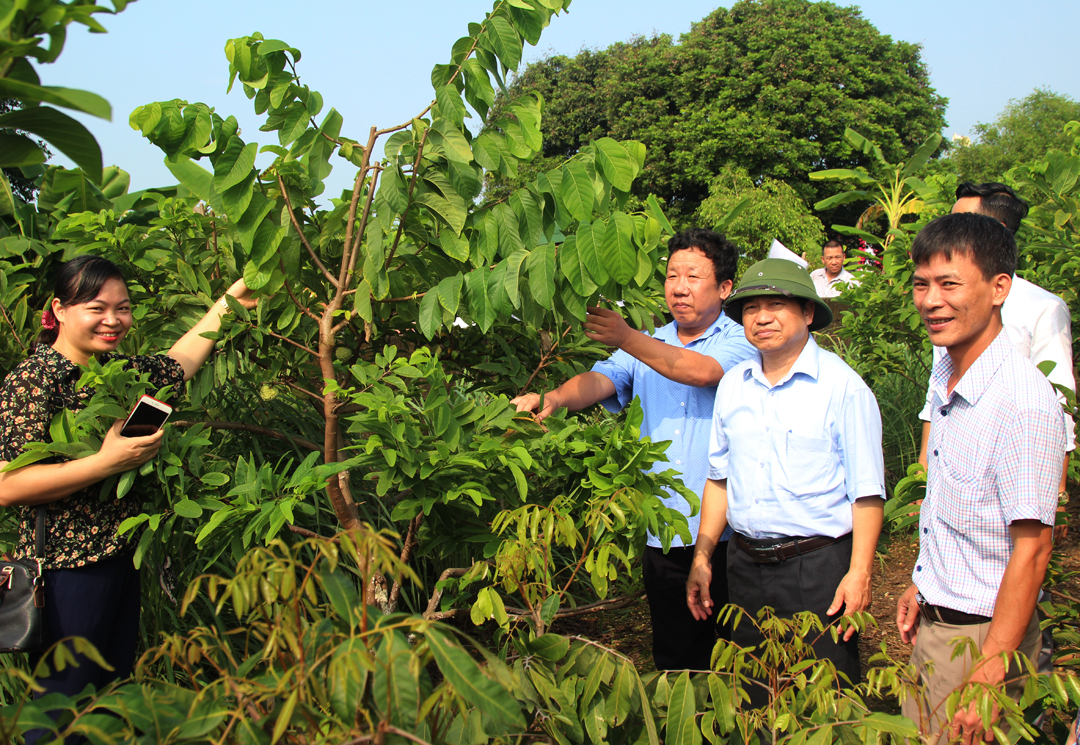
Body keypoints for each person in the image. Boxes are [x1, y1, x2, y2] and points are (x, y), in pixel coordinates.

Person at [0, 255, 256, 743]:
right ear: (60, 308)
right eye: (97, 307)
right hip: (65, 570)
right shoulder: (36, 380)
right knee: (60, 710)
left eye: (124, 308)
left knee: (107, 704)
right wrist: (105, 462)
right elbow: (7, 486)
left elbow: (178, 363)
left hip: (118, 558)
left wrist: (235, 299)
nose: (114, 320)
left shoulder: (115, 371)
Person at [511, 228, 755, 671]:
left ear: (724, 288)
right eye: (671, 275)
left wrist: (628, 337)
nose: (679, 287)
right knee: (678, 654)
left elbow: (700, 372)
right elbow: (599, 380)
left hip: (730, 533)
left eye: (694, 277)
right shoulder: (649, 342)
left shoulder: (739, 341)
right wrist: (553, 399)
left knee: (737, 655)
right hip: (663, 529)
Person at [896, 213, 1067, 743]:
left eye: (950, 284)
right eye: (922, 284)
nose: (930, 300)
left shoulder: (1022, 401)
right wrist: (923, 582)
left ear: (999, 289)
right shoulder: (948, 374)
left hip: (981, 641)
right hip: (936, 626)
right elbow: (962, 515)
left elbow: (1034, 548)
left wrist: (991, 671)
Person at [686, 258, 885, 704]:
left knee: (823, 697)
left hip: (817, 568)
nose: (762, 318)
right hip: (745, 565)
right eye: (751, 308)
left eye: (776, 305)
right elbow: (718, 480)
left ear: (808, 313)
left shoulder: (843, 388)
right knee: (756, 694)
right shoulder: (734, 386)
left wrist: (859, 573)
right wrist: (703, 556)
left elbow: (868, 493)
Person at [917, 182, 1074, 518]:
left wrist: (1058, 493)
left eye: (962, 222)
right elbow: (939, 392)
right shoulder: (944, 309)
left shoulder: (1042, 306)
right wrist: (924, 478)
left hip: (1012, 461)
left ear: (996, 232)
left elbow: (1059, 398)